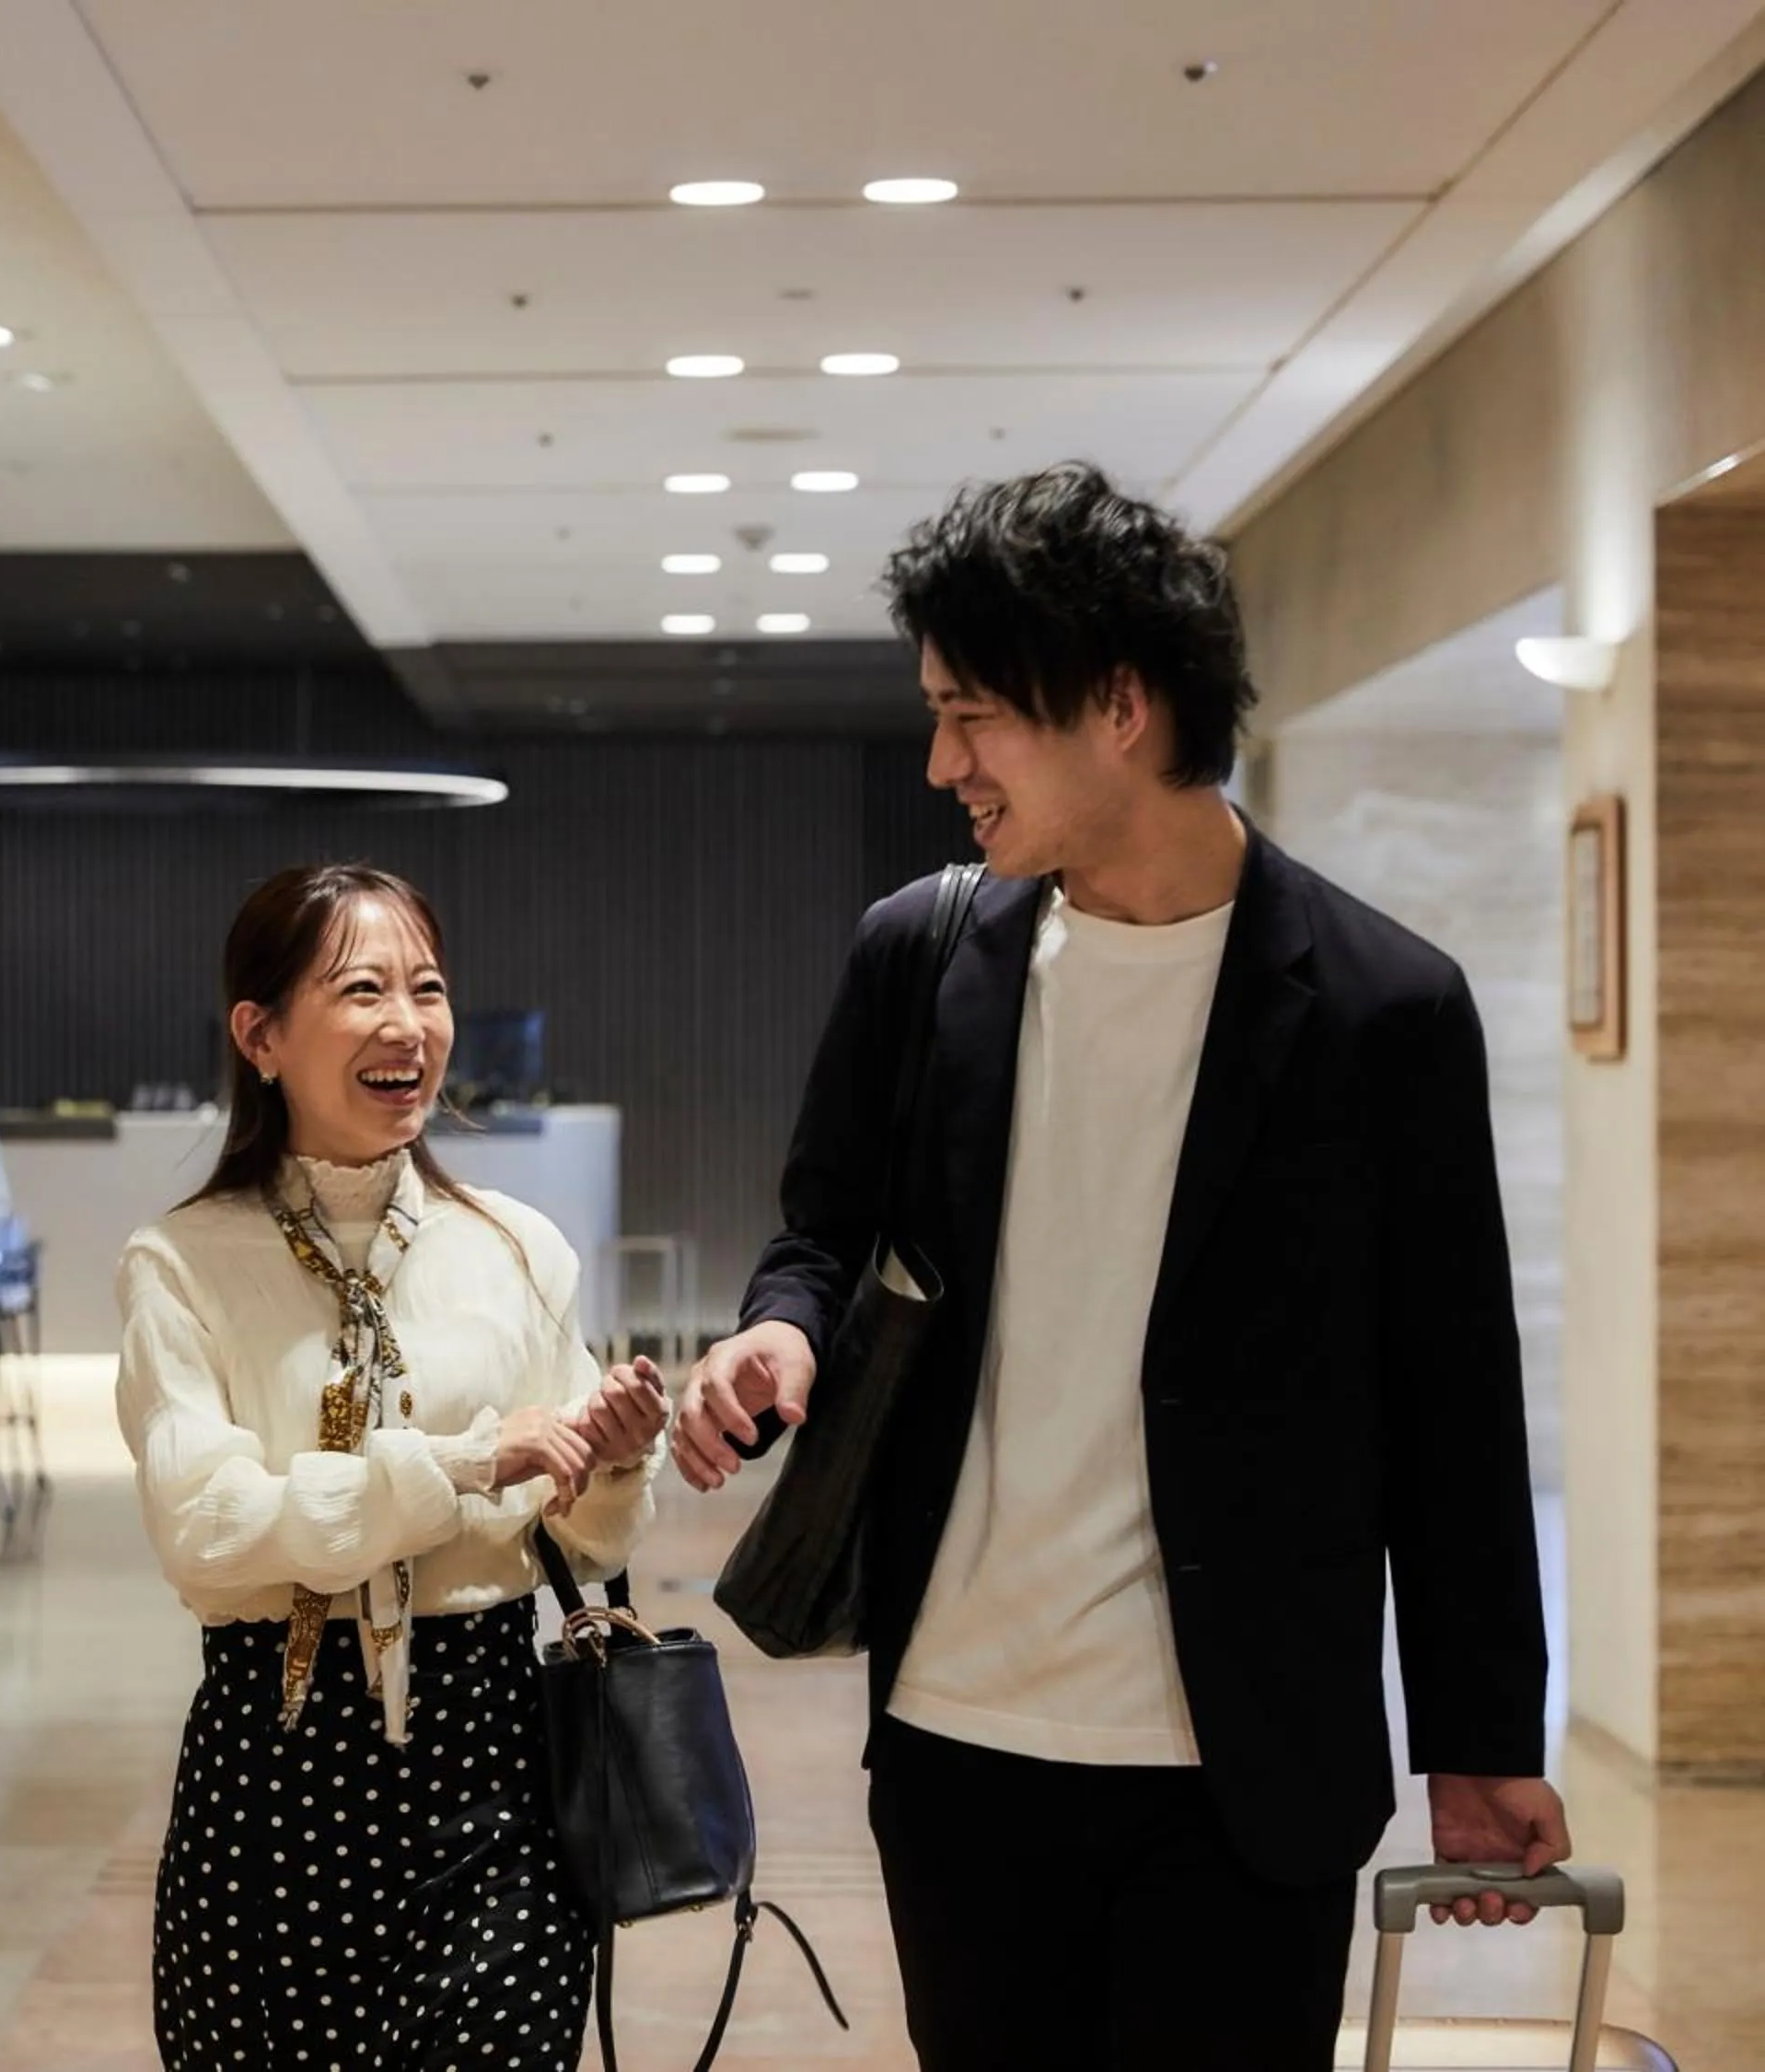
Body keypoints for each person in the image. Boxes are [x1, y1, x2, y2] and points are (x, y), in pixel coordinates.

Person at [671, 463, 1569, 2071]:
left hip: (1244, 1766)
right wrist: (777, 1335)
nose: (943, 761)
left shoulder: (1382, 1010)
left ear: (1119, 705)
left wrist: (1482, 1737)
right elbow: (820, 1230)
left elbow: (1453, 1399)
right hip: (960, 1742)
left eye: (974, 715)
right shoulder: (926, 956)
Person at [117, 862, 668, 2072]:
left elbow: (581, 1542)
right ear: (259, 1034)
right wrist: (463, 1461)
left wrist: (611, 1461)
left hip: (492, 1773)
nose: (408, 1023)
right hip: (269, 1785)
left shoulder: (517, 1249)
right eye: (363, 988)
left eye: (428, 986)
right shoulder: (181, 1263)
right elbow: (207, 1524)